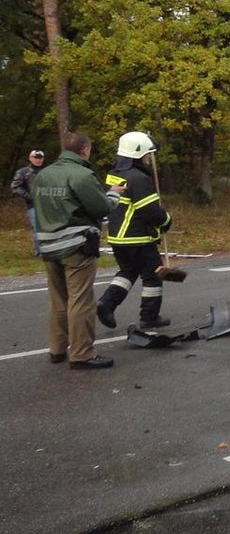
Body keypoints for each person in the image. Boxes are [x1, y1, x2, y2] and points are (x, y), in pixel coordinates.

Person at [32, 131, 120, 369]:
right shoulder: (82, 175)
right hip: (75, 245)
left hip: (48, 244)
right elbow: (101, 208)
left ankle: (57, 349)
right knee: (81, 300)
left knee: (58, 299)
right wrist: (114, 194)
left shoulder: (44, 174)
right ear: (84, 150)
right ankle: (82, 354)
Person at [96, 132, 173, 332]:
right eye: (147, 154)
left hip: (118, 238)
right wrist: (166, 220)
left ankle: (107, 304)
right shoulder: (138, 178)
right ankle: (149, 317)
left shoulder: (115, 173)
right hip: (138, 237)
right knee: (153, 276)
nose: (149, 158)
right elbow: (150, 211)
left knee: (128, 272)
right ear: (138, 153)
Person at [11, 148, 45, 256]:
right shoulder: (23, 172)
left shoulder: (48, 171)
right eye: (36, 157)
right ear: (30, 158)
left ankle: (50, 251)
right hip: (33, 205)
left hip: (49, 205)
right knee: (37, 228)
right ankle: (39, 252)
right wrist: (30, 197)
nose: (38, 160)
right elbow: (15, 187)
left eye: (40, 158)